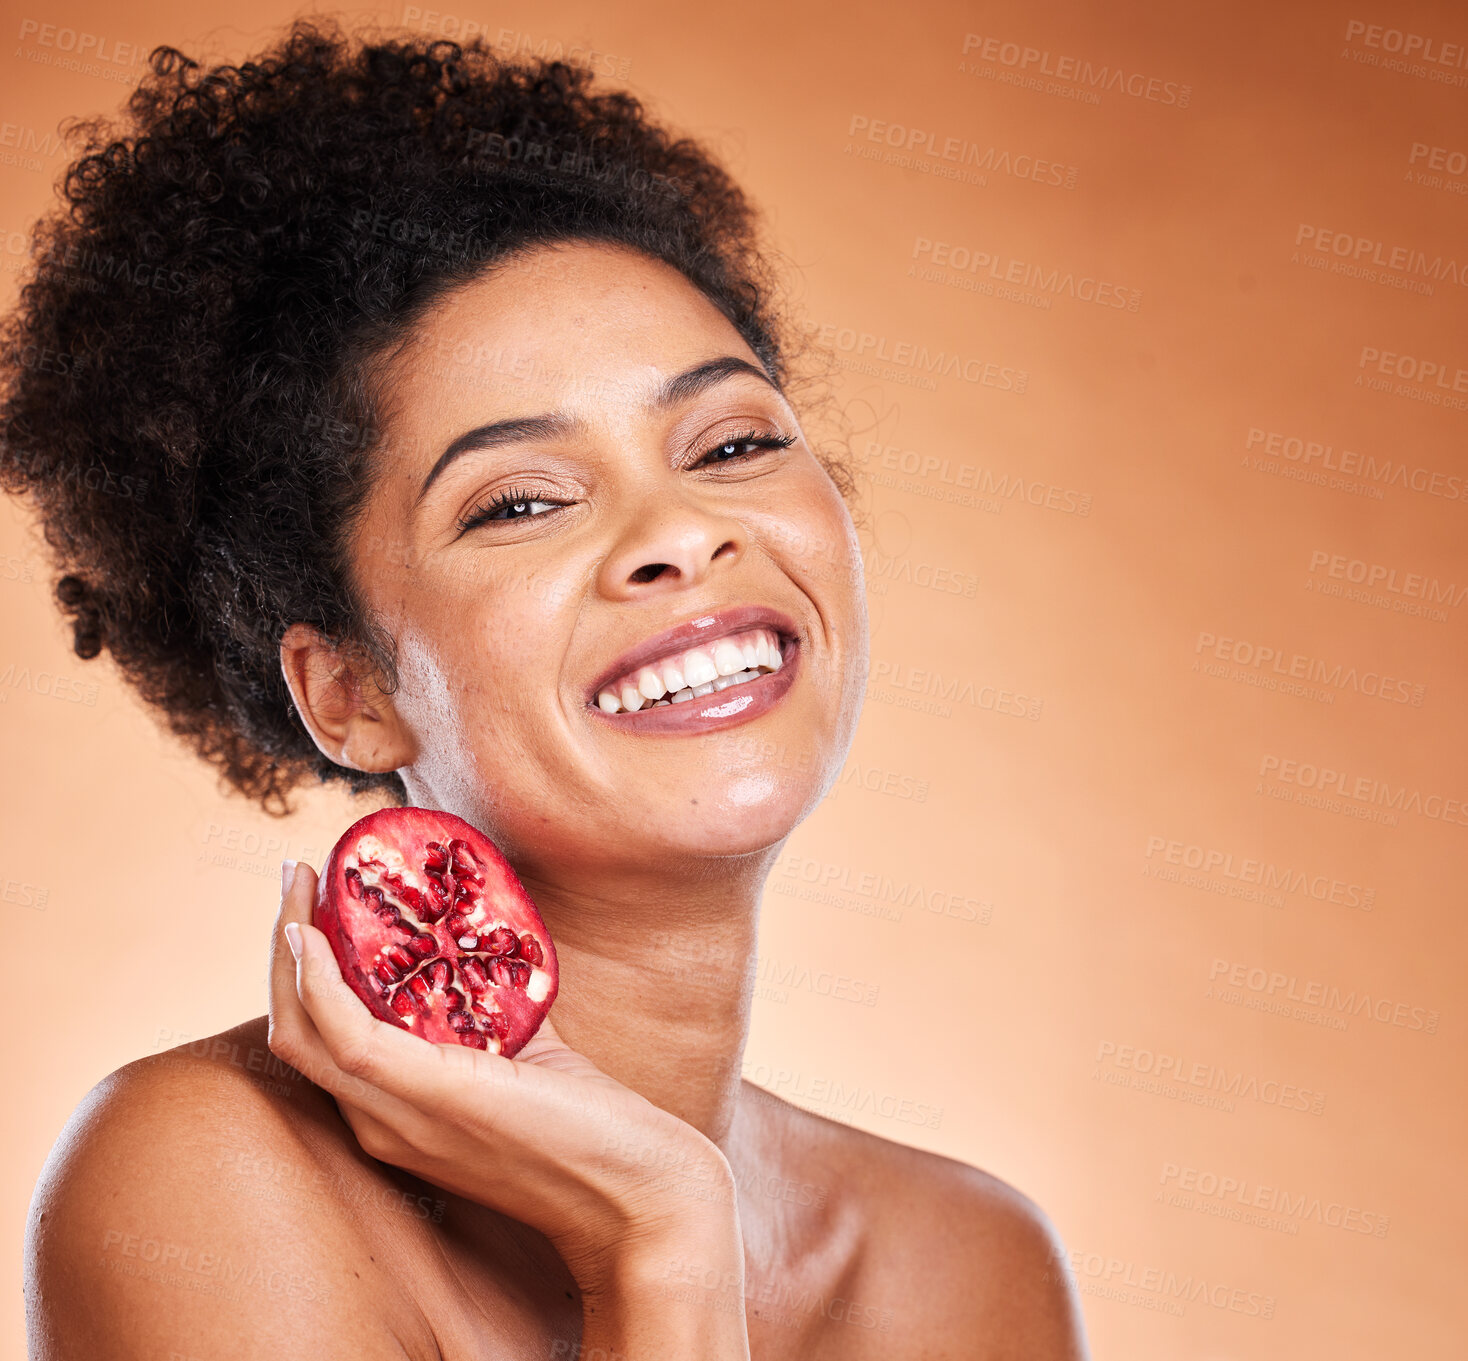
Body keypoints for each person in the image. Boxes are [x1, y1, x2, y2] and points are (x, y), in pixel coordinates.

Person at [3, 22, 1090, 1359]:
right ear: (347, 692)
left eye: (733, 441)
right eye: (521, 501)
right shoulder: (205, 1180)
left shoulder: (961, 1266)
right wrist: (659, 1242)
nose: (678, 534)